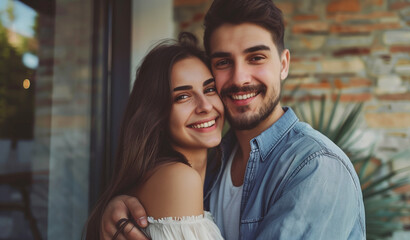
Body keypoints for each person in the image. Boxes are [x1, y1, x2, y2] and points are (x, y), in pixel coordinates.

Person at [101, 0, 366, 239]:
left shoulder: (316, 168)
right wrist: (123, 210)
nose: (240, 79)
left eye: (256, 58)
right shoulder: (210, 161)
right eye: (224, 62)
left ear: (284, 64)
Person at [85, 32, 225, 240]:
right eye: (183, 96)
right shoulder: (179, 179)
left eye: (210, 89)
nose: (205, 106)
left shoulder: (215, 169)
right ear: (156, 114)